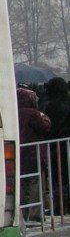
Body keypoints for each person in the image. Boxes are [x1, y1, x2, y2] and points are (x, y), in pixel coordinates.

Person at [18, 86, 51, 222]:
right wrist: (45, 118)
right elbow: (44, 128)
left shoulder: (14, 112)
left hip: (19, 152)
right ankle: (35, 213)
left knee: (21, 183)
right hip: (33, 153)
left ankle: (22, 212)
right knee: (35, 182)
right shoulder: (33, 114)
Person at [43, 76, 70, 215]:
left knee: (58, 178)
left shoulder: (51, 105)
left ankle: (60, 206)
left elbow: (48, 127)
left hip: (56, 147)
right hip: (66, 145)